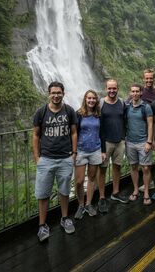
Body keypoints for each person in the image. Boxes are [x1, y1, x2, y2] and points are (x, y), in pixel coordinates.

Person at [32, 81, 77, 242]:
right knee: (43, 194)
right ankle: (42, 225)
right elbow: (36, 135)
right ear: (49, 94)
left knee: (64, 191)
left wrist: (74, 153)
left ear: (63, 93)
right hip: (46, 160)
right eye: (53, 93)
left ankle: (65, 218)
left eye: (59, 92)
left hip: (65, 158)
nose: (56, 95)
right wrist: (37, 158)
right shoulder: (41, 112)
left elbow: (73, 133)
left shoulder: (69, 111)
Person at [98, 79, 128, 213]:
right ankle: (102, 197)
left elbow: (126, 119)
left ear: (117, 89)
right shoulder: (100, 103)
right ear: (106, 88)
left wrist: (125, 137)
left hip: (119, 141)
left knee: (117, 167)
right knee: (102, 170)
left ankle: (115, 193)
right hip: (105, 142)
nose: (112, 91)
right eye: (109, 88)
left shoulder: (122, 103)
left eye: (114, 88)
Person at [74, 90, 106, 219]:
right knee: (79, 181)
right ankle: (80, 205)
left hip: (95, 150)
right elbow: (74, 133)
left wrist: (103, 151)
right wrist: (74, 151)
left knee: (92, 179)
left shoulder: (99, 115)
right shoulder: (79, 114)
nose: (91, 100)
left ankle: (88, 204)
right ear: (85, 99)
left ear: (96, 100)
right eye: (89, 98)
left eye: (93, 98)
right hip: (81, 151)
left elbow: (102, 133)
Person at [125, 84, 153, 205]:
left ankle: (146, 192)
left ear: (141, 92)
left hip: (143, 142)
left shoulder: (146, 107)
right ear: (130, 93)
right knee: (133, 167)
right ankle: (136, 190)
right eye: (133, 91)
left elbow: (151, 125)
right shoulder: (127, 106)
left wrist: (149, 141)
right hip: (130, 142)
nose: (135, 93)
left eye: (137, 91)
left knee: (145, 168)